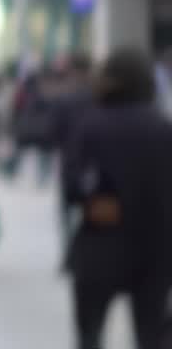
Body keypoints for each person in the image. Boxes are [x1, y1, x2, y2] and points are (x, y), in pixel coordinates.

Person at [62, 49, 172, 349]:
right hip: (155, 249)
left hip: (101, 243)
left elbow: (72, 186)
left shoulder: (91, 125)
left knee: (90, 333)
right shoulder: (163, 128)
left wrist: (98, 199)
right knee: (151, 334)